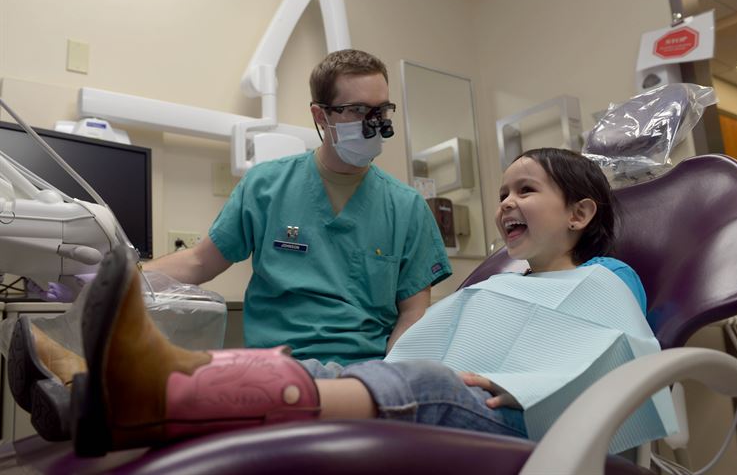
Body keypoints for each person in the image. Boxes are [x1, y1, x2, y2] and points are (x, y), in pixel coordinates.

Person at [14, 148, 665, 456]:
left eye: (526, 190)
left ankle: (131, 394)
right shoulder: (501, 282)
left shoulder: (607, 276)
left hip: (523, 424)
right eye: (501, 192)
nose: (505, 204)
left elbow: (607, 350)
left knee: (416, 380)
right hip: (452, 398)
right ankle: (94, 389)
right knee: (330, 372)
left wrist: (519, 383)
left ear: (581, 212)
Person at [145, 49, 451, 365]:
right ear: (321, 116)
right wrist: (119, 278)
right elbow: (199, 262)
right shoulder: (267, 186)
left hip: (367, 372)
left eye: (381, 111)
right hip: (279, 368)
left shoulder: (406, 206)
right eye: (357, 110)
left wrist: (390, 379)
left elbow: (413, 313)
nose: (374, 124)